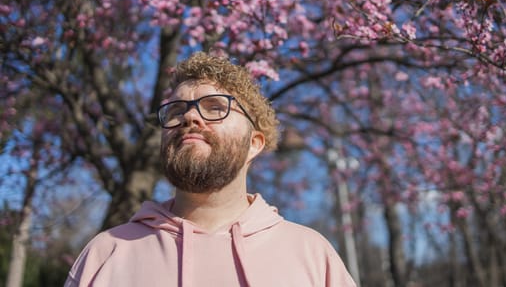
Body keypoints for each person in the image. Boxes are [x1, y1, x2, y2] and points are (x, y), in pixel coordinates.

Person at [65, 52, 356, 287]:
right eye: (177, 110)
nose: (190, 116)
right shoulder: (105, 252)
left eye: (216, 107)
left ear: (253, 144)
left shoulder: (312, 255)